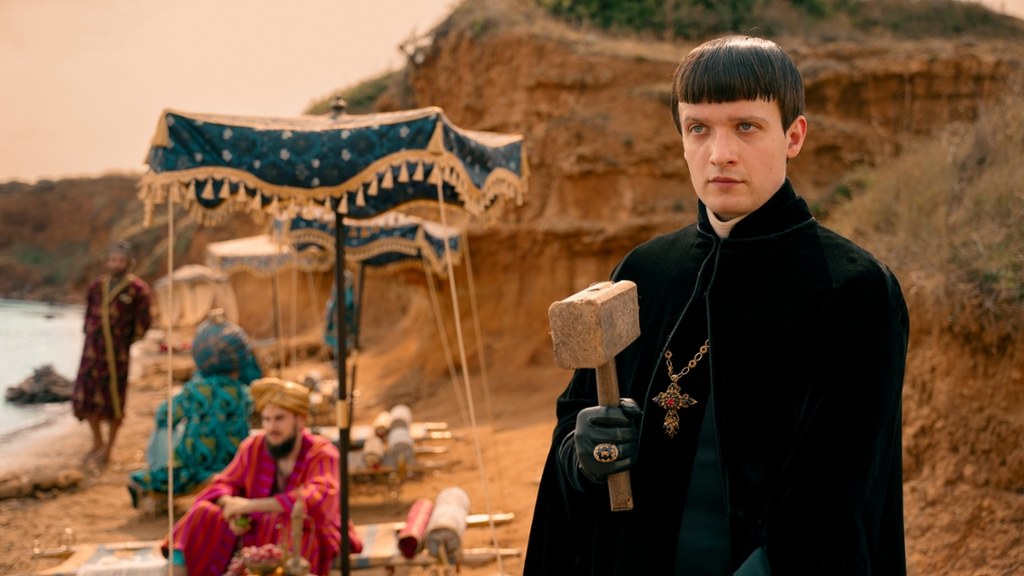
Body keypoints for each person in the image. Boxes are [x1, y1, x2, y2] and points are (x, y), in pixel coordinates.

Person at [525, 35, 909, 575]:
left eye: (745, 126)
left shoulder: (852, 289)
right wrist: (580, 454)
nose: (719, 153)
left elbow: (836, 498)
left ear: (793, 136)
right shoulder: (645, 272)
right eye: (698, 128)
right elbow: (576, 418)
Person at [162, 377, 362, 576]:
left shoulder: (321, 452)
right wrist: (233, 509)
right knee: (202, 512)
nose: (271, 427)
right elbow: (223, 484)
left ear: (300, 420)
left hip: (303, 528)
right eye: (266, 419)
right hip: (251, 526)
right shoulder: (254, 447)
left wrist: (249, 506)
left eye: (279, 419)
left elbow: (319, 498)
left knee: (288, 524)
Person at [128, 310, 261, 506]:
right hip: (233, 463)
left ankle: (146, 484)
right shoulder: (243, 394)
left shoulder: (194, 391)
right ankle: (218, 486)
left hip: (194, 465)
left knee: (173, 472)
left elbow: (165, 415)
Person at [71, 239, 153, 467]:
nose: (116, 264)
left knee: (114, 401)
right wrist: (90, 333)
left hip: (117, 356)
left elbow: (143, 323)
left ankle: (109, 448)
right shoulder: (96, 287)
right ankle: (97, 441)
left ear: (128, 262)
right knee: (86, 397)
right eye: (113, 260)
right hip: (91, 353)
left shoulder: (138, 290)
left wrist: (125, 342)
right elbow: (88, 315)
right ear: (107, 261)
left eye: (121, 260)